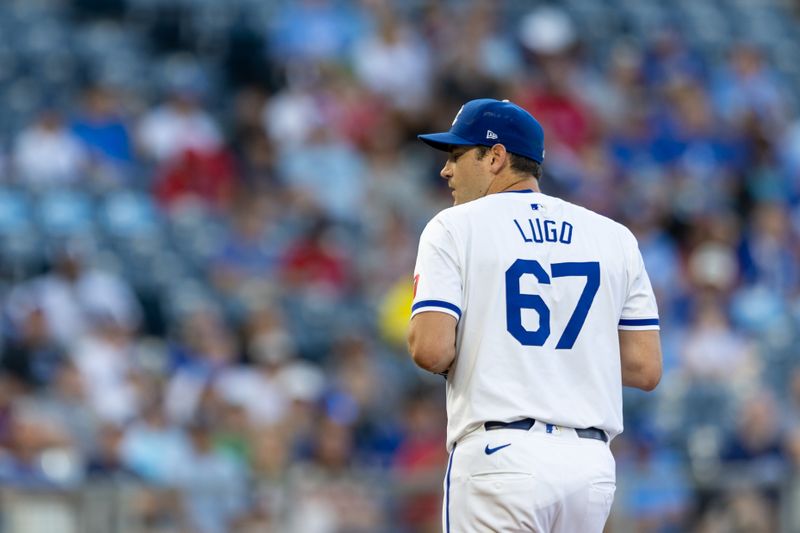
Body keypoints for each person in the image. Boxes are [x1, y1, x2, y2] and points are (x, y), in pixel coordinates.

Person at [407, 98, 662, 532]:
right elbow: (645, 366)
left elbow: (431, 350)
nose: (445, 171)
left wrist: (498, 347)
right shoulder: (613, 236)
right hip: (589, 466)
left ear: (495, 156)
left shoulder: (453, 227)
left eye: (456, 155)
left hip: (501, 456)